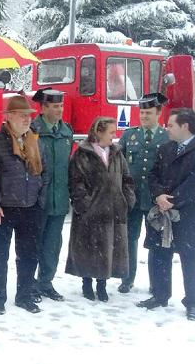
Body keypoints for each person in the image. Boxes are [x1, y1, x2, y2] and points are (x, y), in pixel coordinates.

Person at [138, 108, 195, 321]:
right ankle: (159, 295)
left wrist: (171, 201)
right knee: (159, 254)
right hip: (162, 213)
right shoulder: (164, 148)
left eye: (170, 125)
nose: (166, 128)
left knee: (190, 258)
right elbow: (152, 175)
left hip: (189, 215)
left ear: (185, 126)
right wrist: (159, 195)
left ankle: (192, 303)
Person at [0, 95, 48, 315]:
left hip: (31, 207)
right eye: (21, 116)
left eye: (28, 115)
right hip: (3, 208)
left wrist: (40, 200)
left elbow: (45, 173)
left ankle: (25, 295)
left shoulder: (34, 141)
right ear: (8, 117)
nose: (26, 120)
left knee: (29, 255)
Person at [66, 117, 135, 302]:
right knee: (88, 248)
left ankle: (102, 285)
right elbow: (76, 182)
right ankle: (87, 283)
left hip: (113, 212)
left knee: (108, 250)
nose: (115, 136)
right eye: (111, 132)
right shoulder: (82, 153)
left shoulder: (117, 153)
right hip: (90, 213)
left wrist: (127, 200)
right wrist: (84, 205)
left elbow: (127, 179)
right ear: (99, 132)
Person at [118, 93, 169, 293]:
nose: (144, 116)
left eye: (148, 113)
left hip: (155, 199)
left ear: (158, 114)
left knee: (155, 242)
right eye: (142, 112)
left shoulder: (166, 137)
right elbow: (118, 162)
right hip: (131, 197)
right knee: (130, 238)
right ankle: (127, 279)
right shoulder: (129, 135)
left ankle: (155, 283)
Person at [30, 88, 73, 302]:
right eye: (55, 107)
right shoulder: (32, 130)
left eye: (61, 106)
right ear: (43, 108)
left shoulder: (67, 132)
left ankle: (46, 282)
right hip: (38, 200)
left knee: (53, 245)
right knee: (34, 244)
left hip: (59, 199)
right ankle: (30, 284)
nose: (59, 110)